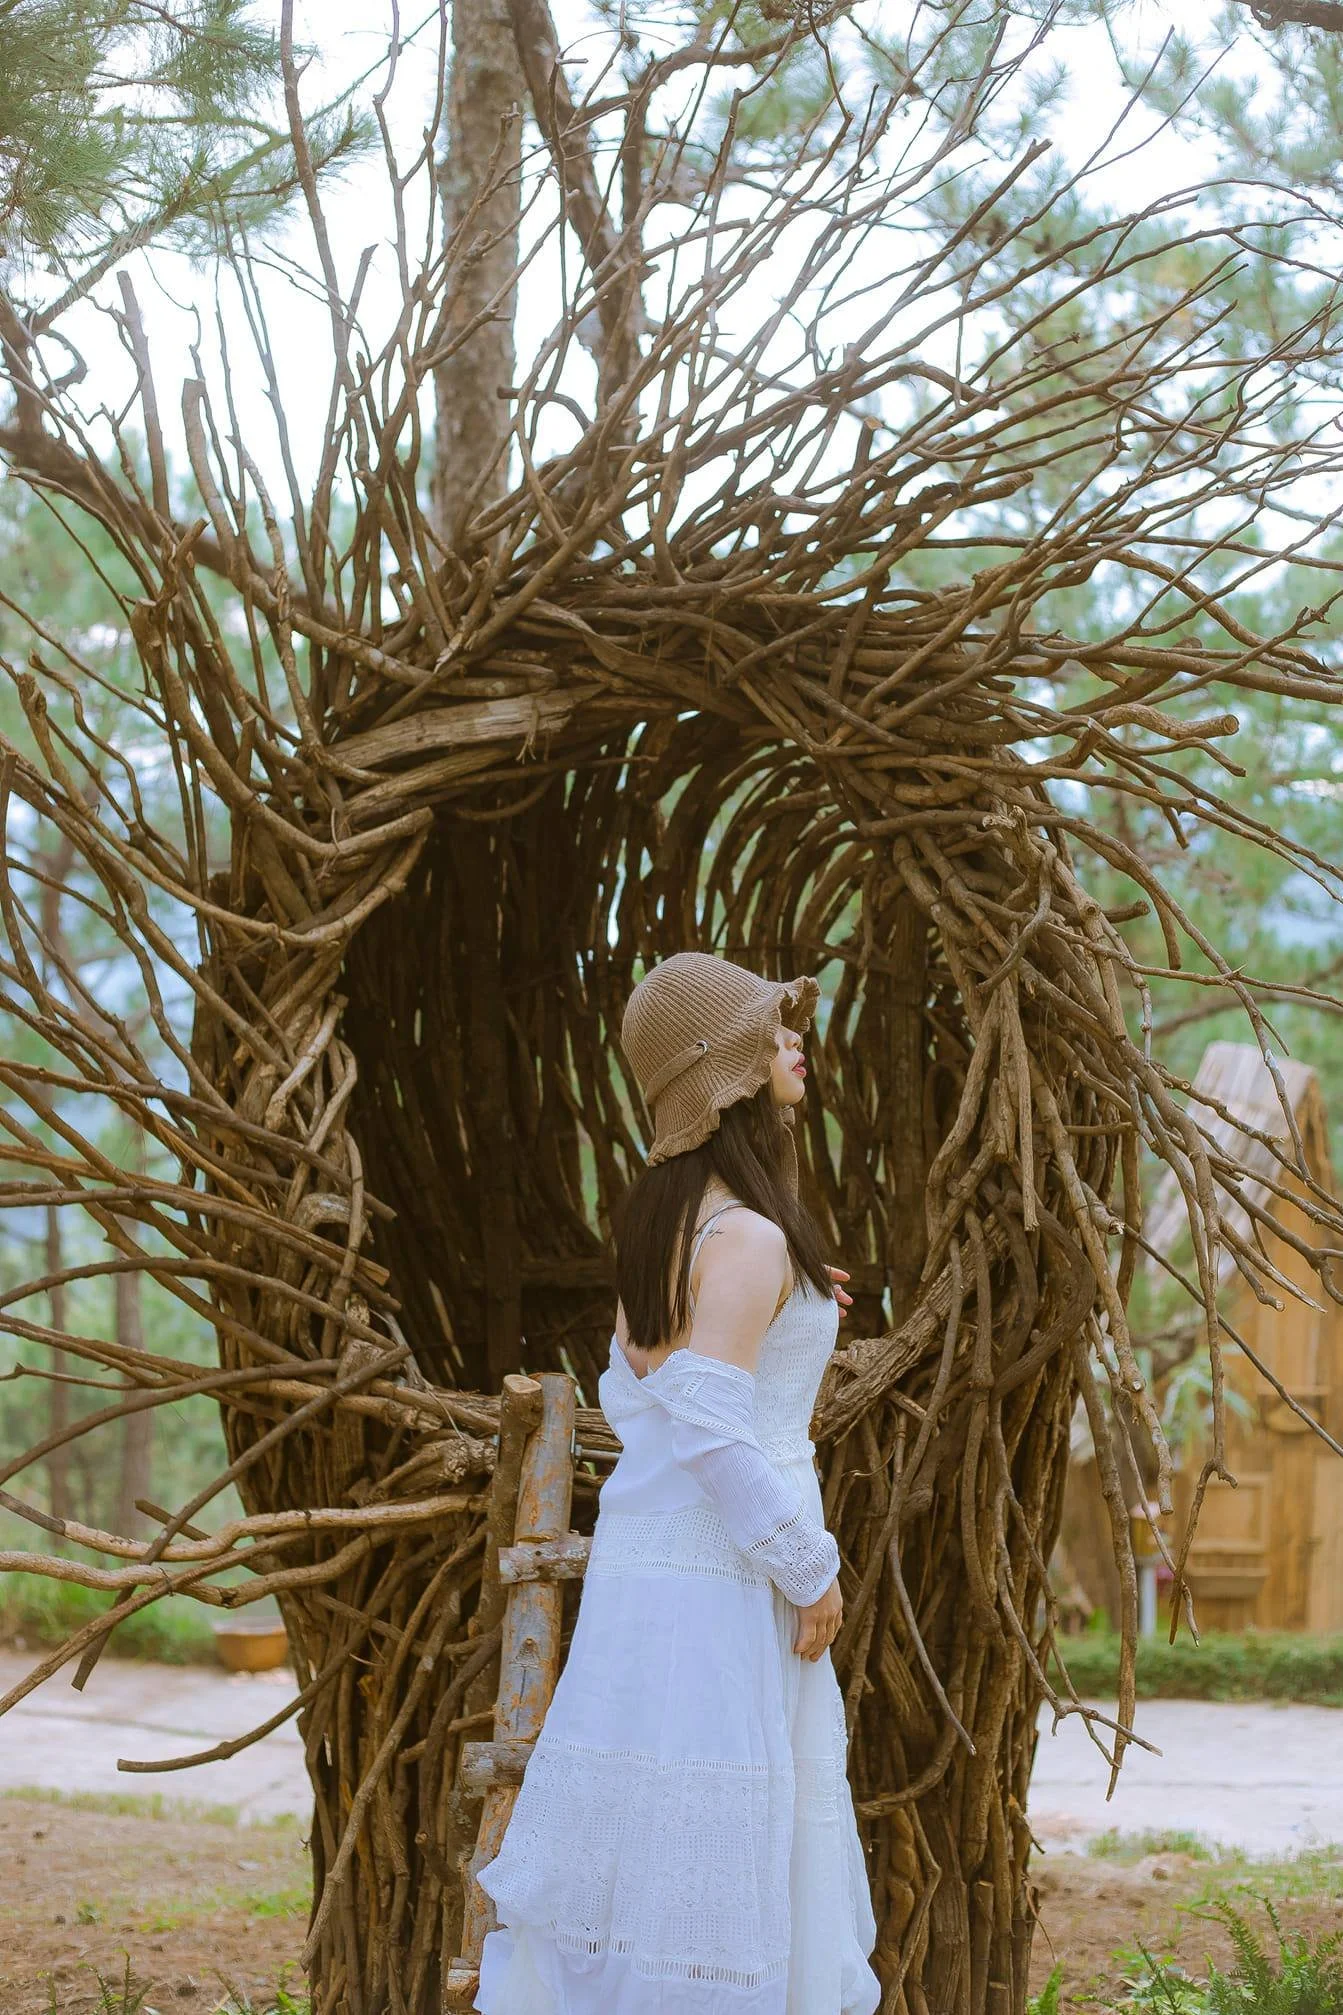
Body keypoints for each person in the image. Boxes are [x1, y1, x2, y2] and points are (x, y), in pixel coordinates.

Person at [473, 951, 882, 2015]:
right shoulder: (743, 1235)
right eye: (770, 1029)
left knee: (656, 1850)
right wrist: (808, 1567)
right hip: (728, 1575)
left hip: (654, 1576)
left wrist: (792, 1296)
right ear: (725, 1071)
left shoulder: (673, 1226)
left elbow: (654, 1384)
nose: (793, 1040)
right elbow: (708, 1426)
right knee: (718, 1855)